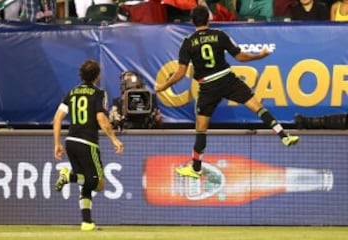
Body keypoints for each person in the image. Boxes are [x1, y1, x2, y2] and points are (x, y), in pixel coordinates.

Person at [154, 5, 299, 179]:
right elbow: (240, 56)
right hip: (227, 80)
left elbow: (180, 73)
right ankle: (283, 135)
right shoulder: (219, 35)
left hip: (207, 88)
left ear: (192, 21)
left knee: (201, 130)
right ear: (209, 19)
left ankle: (196, 168)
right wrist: (259, 56)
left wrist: (163, 86)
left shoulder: (187, 42)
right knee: (257, 107)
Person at [53, 59, 123, 231]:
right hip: (87, 142)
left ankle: (86, 222)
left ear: (81, 75)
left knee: (85, 182)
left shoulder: (71, 93)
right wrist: (114, 139)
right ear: (97, 76)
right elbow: (101, 118)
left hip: (71, 142)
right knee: (98, 183)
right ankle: (68, 177)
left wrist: (57, 144)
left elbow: (57, 118)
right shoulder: (98, 93)